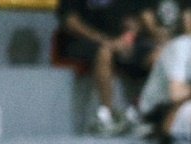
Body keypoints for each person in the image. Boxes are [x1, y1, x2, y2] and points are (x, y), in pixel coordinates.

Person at [55, 0, 160, 135]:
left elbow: (136, 19)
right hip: (85, 41)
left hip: (121, 41)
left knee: (156, 56)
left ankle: (142, 113)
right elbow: (71, 22)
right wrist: (104, 40)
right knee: (104, 52)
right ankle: (106, 116)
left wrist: (128, 38)